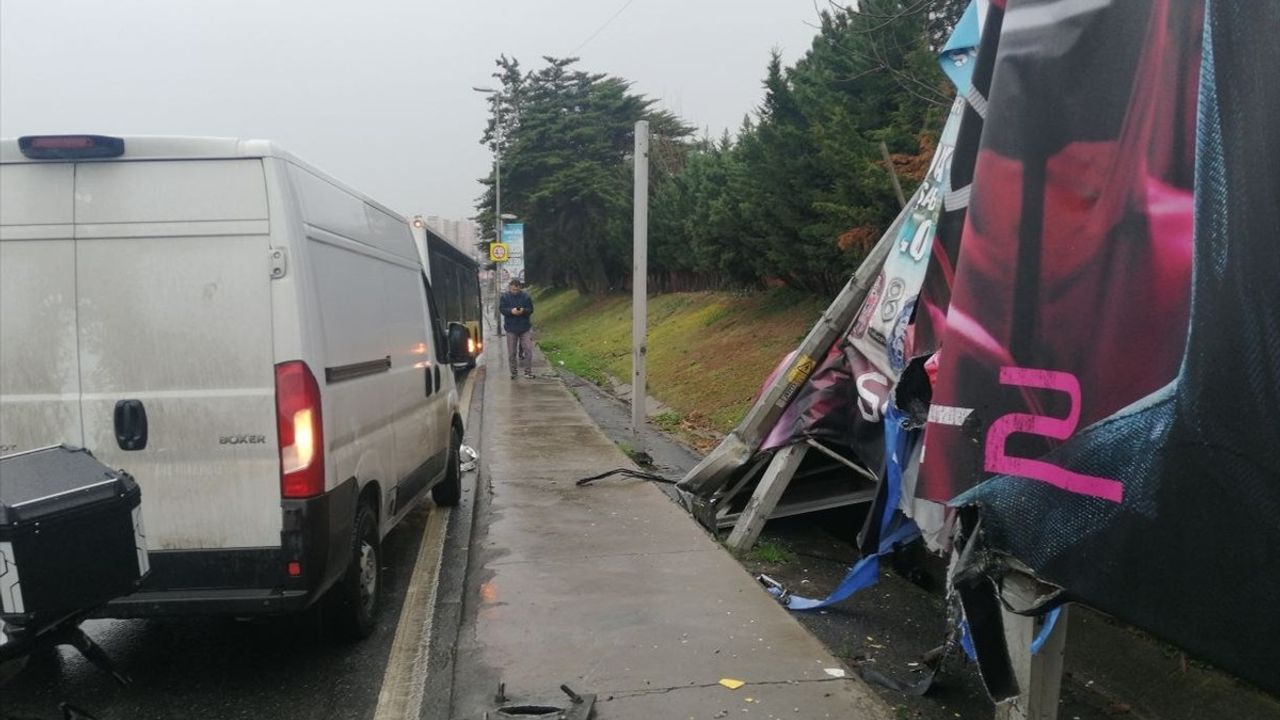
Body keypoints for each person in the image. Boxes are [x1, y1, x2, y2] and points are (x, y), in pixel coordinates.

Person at [499, 279, 534, 379]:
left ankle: (528, 371)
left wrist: (523, 311)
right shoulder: (505, 297)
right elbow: (502, 309)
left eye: (517, 288)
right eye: (513, 288)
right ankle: (513, 372)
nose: (515, 290)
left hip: (524, 328)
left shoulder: (526, 297)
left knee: (528, 349)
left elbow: (531, 309)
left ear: (520, 287)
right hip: (511, 328)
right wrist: (511, 311)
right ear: (510, 287)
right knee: (511, 352)